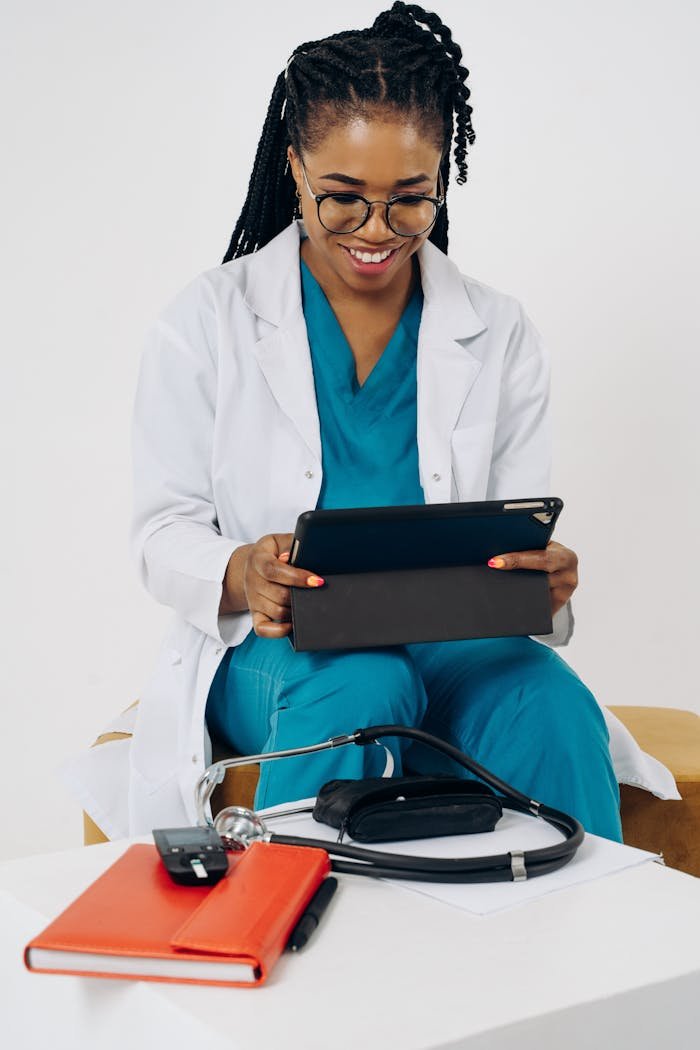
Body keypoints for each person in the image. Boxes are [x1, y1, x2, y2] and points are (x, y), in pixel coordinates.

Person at [125, 2, 622, 842]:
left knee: (547, 697)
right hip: (276, 652)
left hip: (447, 639)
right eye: (344, 200)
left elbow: (505, 534)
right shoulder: (206, 320)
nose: (377, 233)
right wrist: (242, 569)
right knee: (360, 684)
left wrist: (540, 582)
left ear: (440, 185)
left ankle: (587, 951)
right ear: (294, 168)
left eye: (409, 202)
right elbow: (160, 531)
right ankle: (303, 931)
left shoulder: (497, 332)